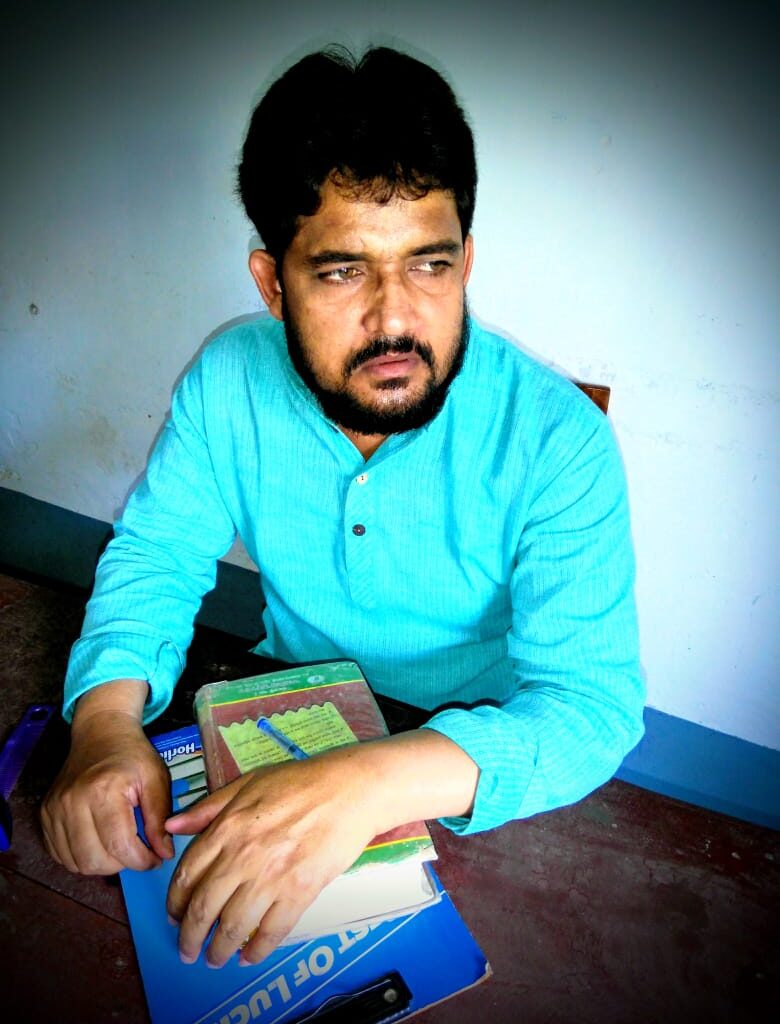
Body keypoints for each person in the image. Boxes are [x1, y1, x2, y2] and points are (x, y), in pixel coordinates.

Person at [41, 45, 644, 970]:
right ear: (270, 282)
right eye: (342, 272)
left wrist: (367, 783)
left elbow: (591, 707)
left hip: (469, 774)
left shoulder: (558, 440)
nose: (396, 320)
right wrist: (106, 725)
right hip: (274, 718)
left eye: (429, 265)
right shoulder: (227, 379)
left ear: (467, 259)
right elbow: (156, 556)